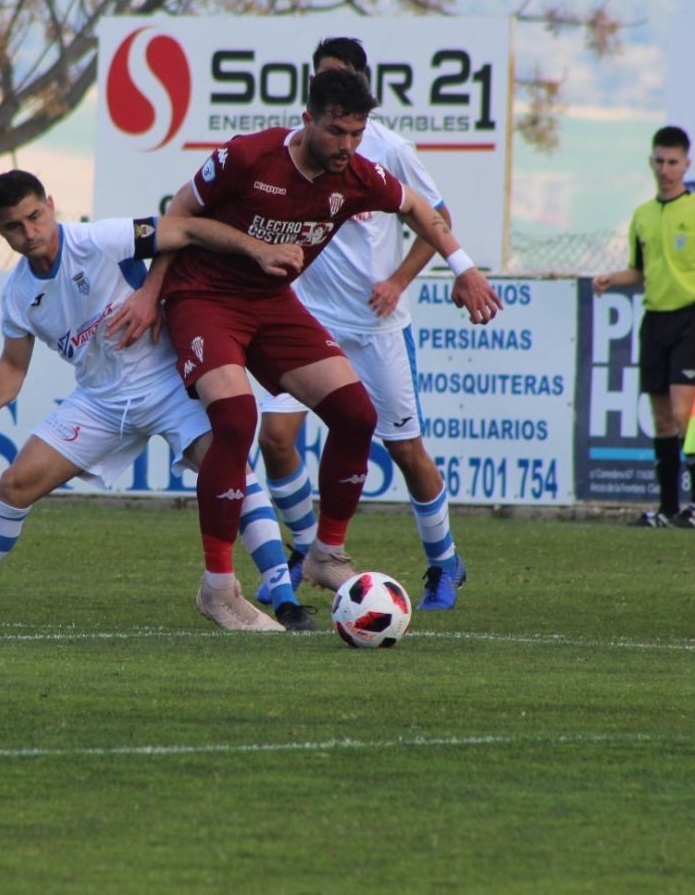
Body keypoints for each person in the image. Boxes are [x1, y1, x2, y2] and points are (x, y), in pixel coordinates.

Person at [110, 69, 502, 613]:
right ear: (308, 119)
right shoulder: (249, 157)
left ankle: (325, 552)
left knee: (356, 415)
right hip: (203, 297)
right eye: (336, 131)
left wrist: (463, 267)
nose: (346, 146)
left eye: (356, 133)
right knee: (238, 421)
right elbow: (179, 213)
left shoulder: (360, 174)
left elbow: (419, 208)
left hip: (271, 304)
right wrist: (153, 290)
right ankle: (218, 586)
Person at [0, 169, 320, 632]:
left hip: (167, 384)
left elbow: (188, 230)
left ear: (51, 205)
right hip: (101, 400)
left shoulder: (100, 239)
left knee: (231, 470)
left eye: (35, 216)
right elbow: (13, 366)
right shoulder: (19, 294)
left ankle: (285, 600)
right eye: (15, 226)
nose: (30, 232)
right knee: (14, 484)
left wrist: (173, 282)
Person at [255, 38, 466, 612]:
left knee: (406, 452)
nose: (338, 103)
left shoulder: (388, 148)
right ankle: (307, 549)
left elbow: (438, 218)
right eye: (326, 85)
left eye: (346, 83)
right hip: (309, 318)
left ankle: (445, 562)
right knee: (275, 439)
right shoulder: (294, 148)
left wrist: (398, 280)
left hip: (376, 328)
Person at [591, 126, 695, 529]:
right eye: (660, 161)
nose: (666, 169)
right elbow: (639, 271)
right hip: (654, 322)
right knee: (661, 417)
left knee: (686, 413)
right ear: (651, 162)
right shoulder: (642, 216)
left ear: (686, 164)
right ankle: (668, 508)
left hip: (691, 317)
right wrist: (611, 279)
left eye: (673, 162)